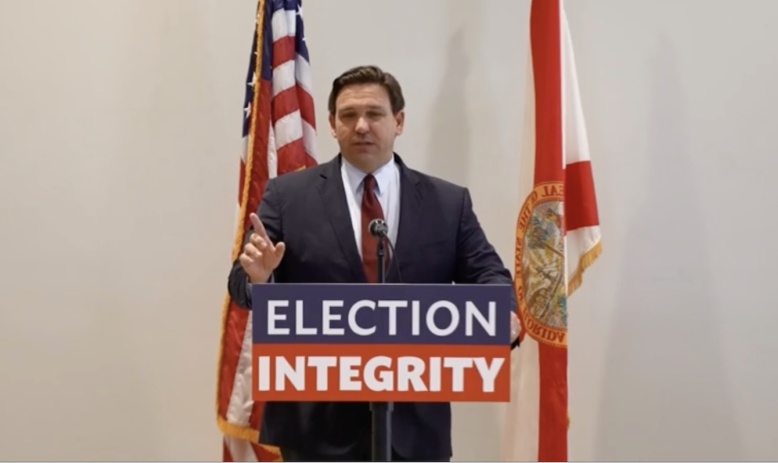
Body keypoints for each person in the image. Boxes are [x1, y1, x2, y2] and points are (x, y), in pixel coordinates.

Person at [227, 64, 516, 462]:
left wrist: (500, 312)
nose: (361, 125)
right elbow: (241, 282)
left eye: (374, 114)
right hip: (315, 430)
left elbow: (489, 274)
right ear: (331, 124)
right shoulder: (287, 196)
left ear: (398, 121)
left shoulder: (447, 203)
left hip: (414, 430)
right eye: (348, 116)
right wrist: (260, 279)